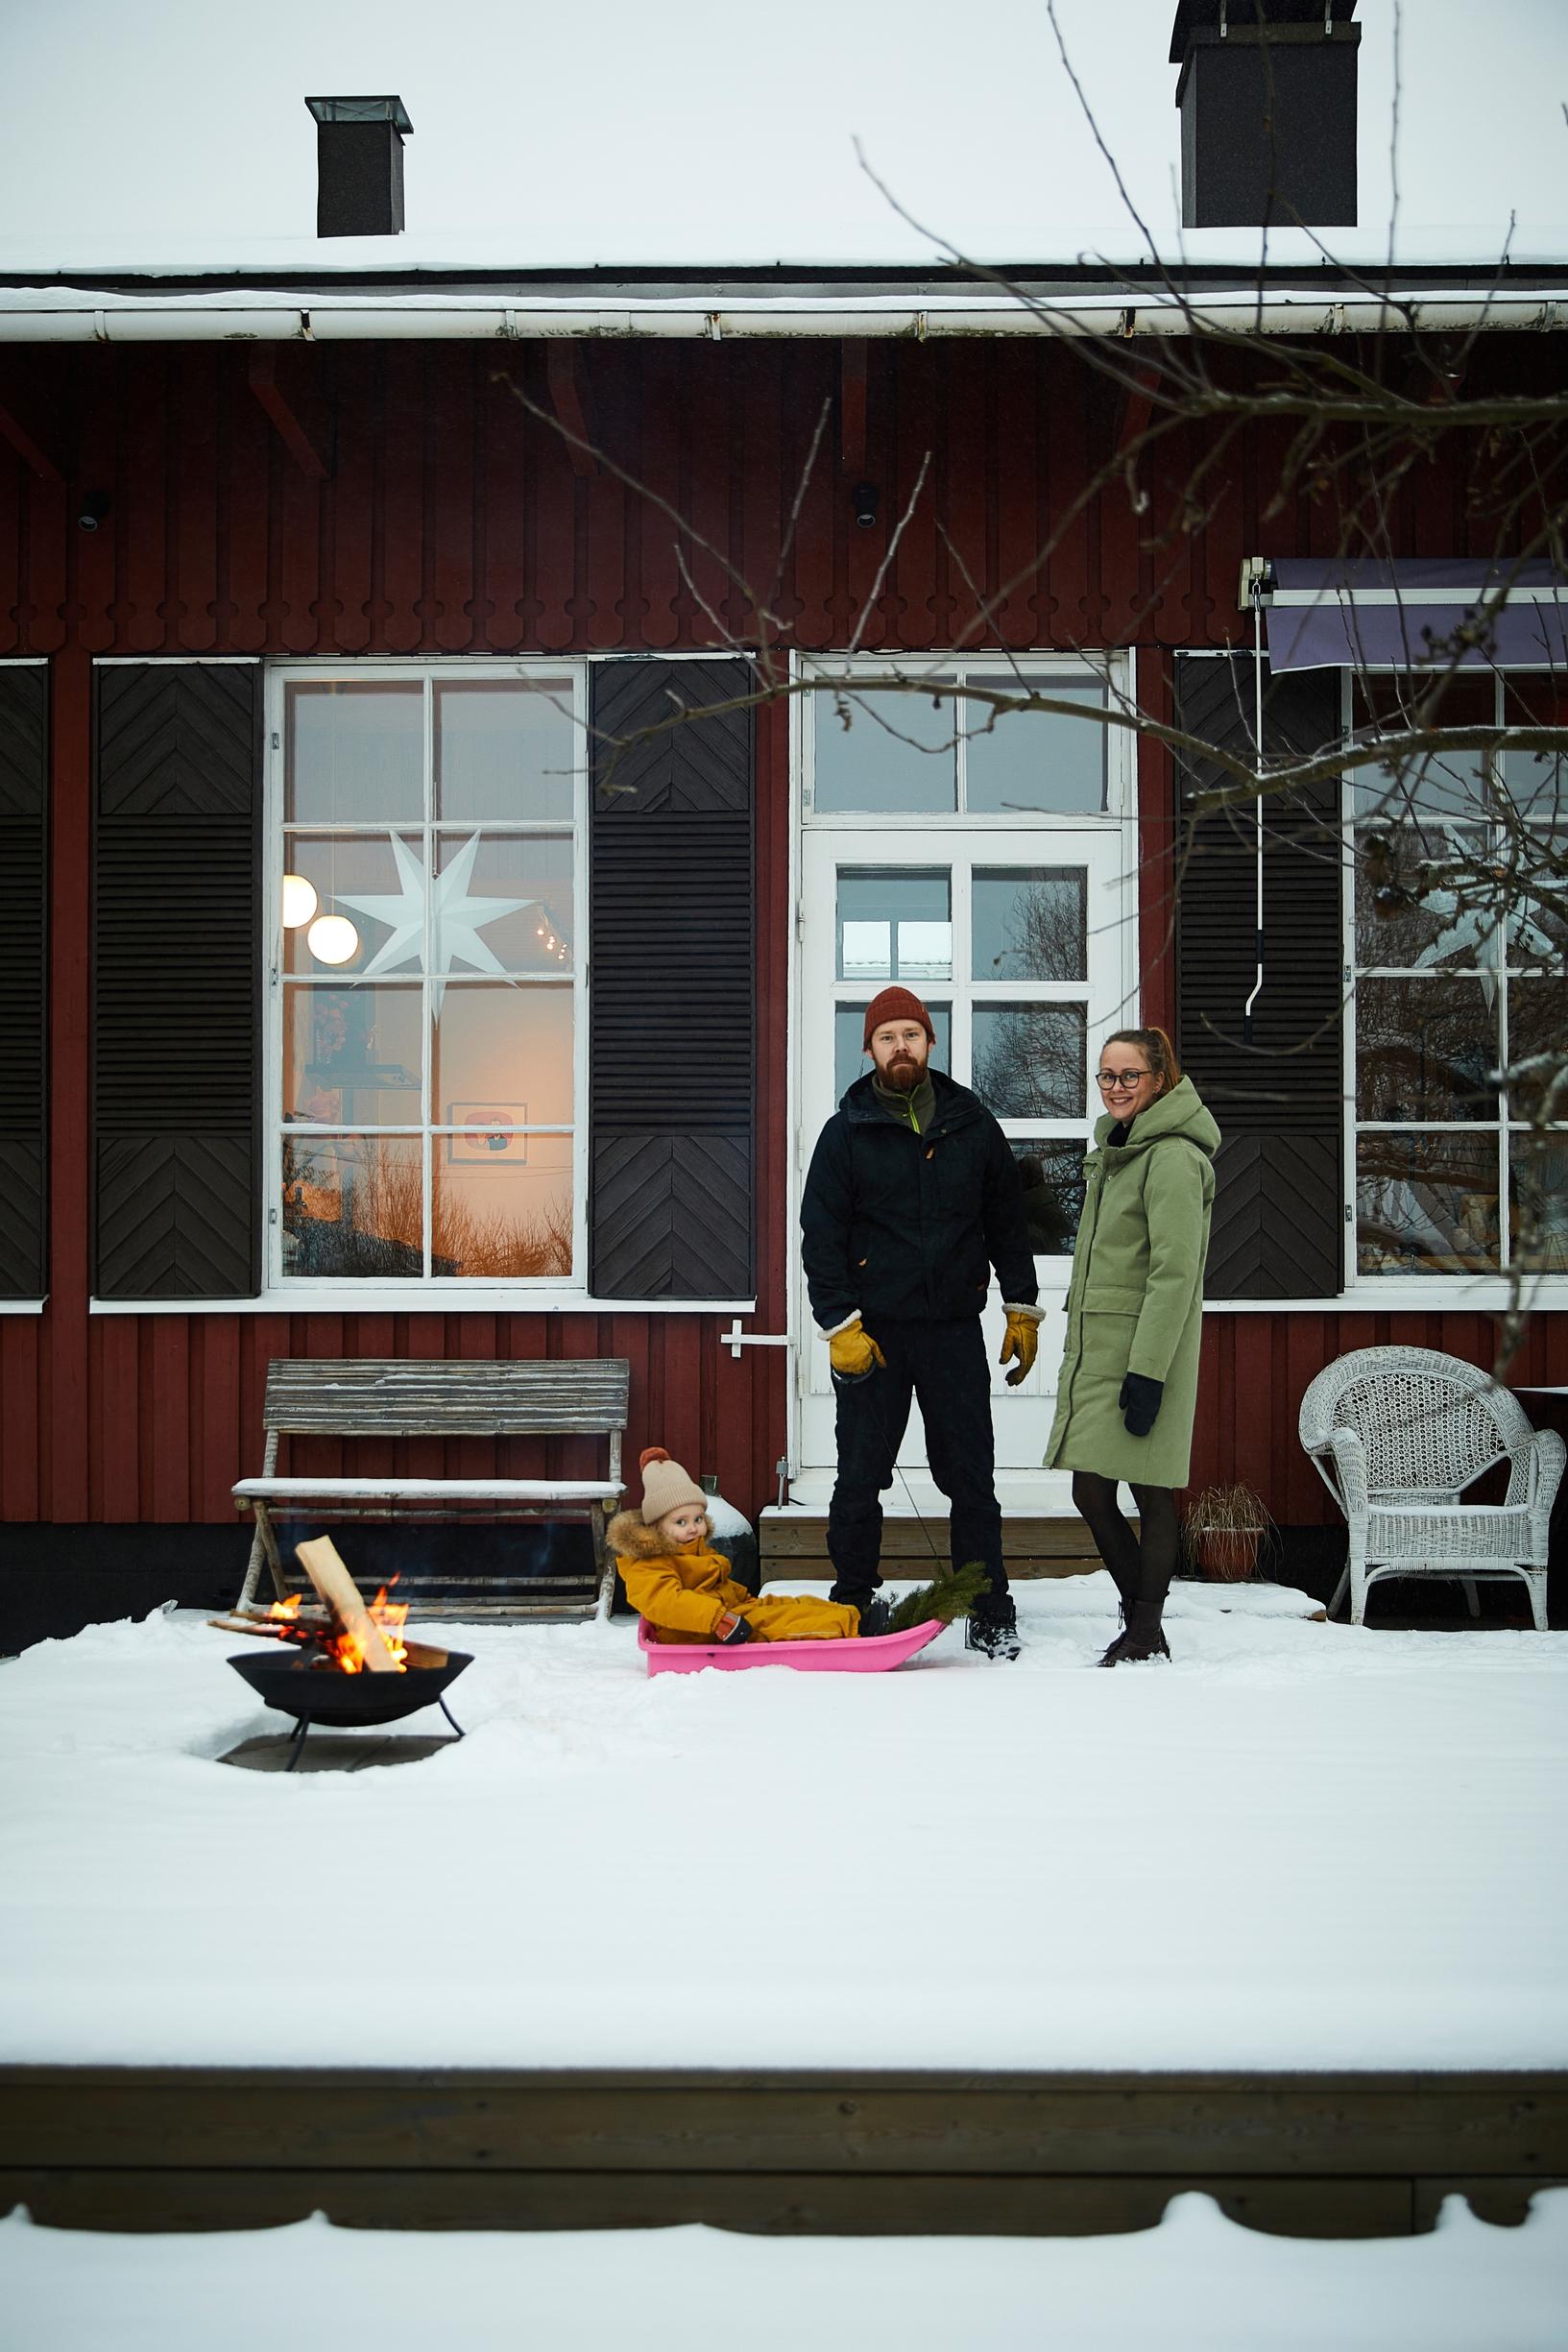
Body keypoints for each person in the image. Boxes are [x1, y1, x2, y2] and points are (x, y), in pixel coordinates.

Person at [799, 984, 1044, 1660]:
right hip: (870, 1335)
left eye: (910, 1033)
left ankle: (987, 1603)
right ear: (868, 1047)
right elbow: (819, 1235)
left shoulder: (972, 1124)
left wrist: (1019, 1306)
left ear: (929, 1042)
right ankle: (852, 1599)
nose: (899, 1046)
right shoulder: (844, 1132)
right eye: (886, 1036)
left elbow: (1006, 1223)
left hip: (951, 1334)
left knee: (969, 1477)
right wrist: (839, 1323)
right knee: (858, 1476)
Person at [1043, 1025, 1218, 1665]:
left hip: (1144, 1353)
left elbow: (1173, 1275)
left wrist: (1147, 1372)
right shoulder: (1119, 1151)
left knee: (1148, 1491)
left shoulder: (1169, 1157)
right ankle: (1141, 1620)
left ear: (1158, 1080)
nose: (1115, 1087)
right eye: (1106, 1076)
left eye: (1128, 1076)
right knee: (1089, 1490)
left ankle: (1144, 1628)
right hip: (1101, 1347)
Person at [609, 1447, 978, 1644]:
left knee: (790, 1604)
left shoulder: (692, 1548)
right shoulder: (646, 1561)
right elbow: (665, 1602)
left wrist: (738, 1601)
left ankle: (852, 1616)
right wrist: (716, 1618)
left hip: (727, 1613)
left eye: (697, 1518)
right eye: (681, 1522)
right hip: (697, 1630)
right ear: (657, 1526)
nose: (694, 1528)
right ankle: (853, 1629)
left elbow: (716, 1588)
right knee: (779, 1623)